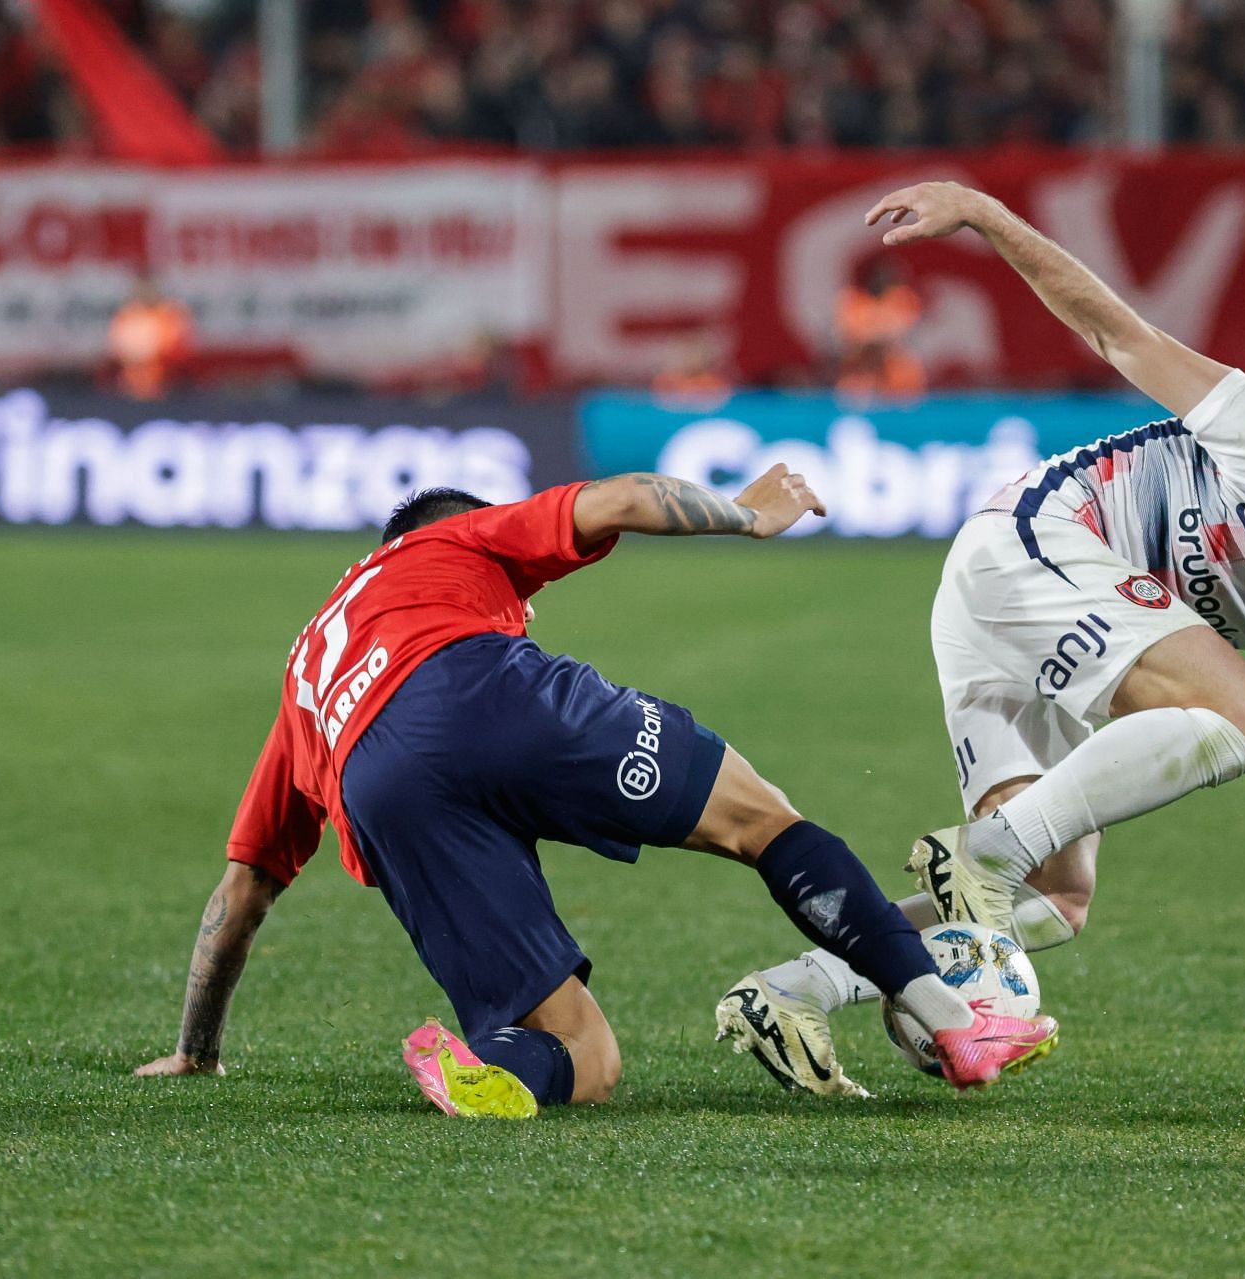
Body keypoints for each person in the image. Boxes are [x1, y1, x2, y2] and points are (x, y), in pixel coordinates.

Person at [718, 181, 1245, 1105]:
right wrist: (984, 213)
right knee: (1240, 713)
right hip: (1028, 543)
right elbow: (1120, 334)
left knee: (1055, 902)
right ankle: (985, 852)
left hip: (1025, 619)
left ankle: (792, 990)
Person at [135, 465, 1057, 1117]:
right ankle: (950, 1019)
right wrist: (746, 514)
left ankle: (493, 1066)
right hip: (479, 689)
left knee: (588, 1057)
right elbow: (616, 500)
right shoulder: (449, 540)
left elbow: (242, 890)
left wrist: (199, 1048)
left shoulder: (306, 678)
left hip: (375, 788)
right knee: (760, 820)